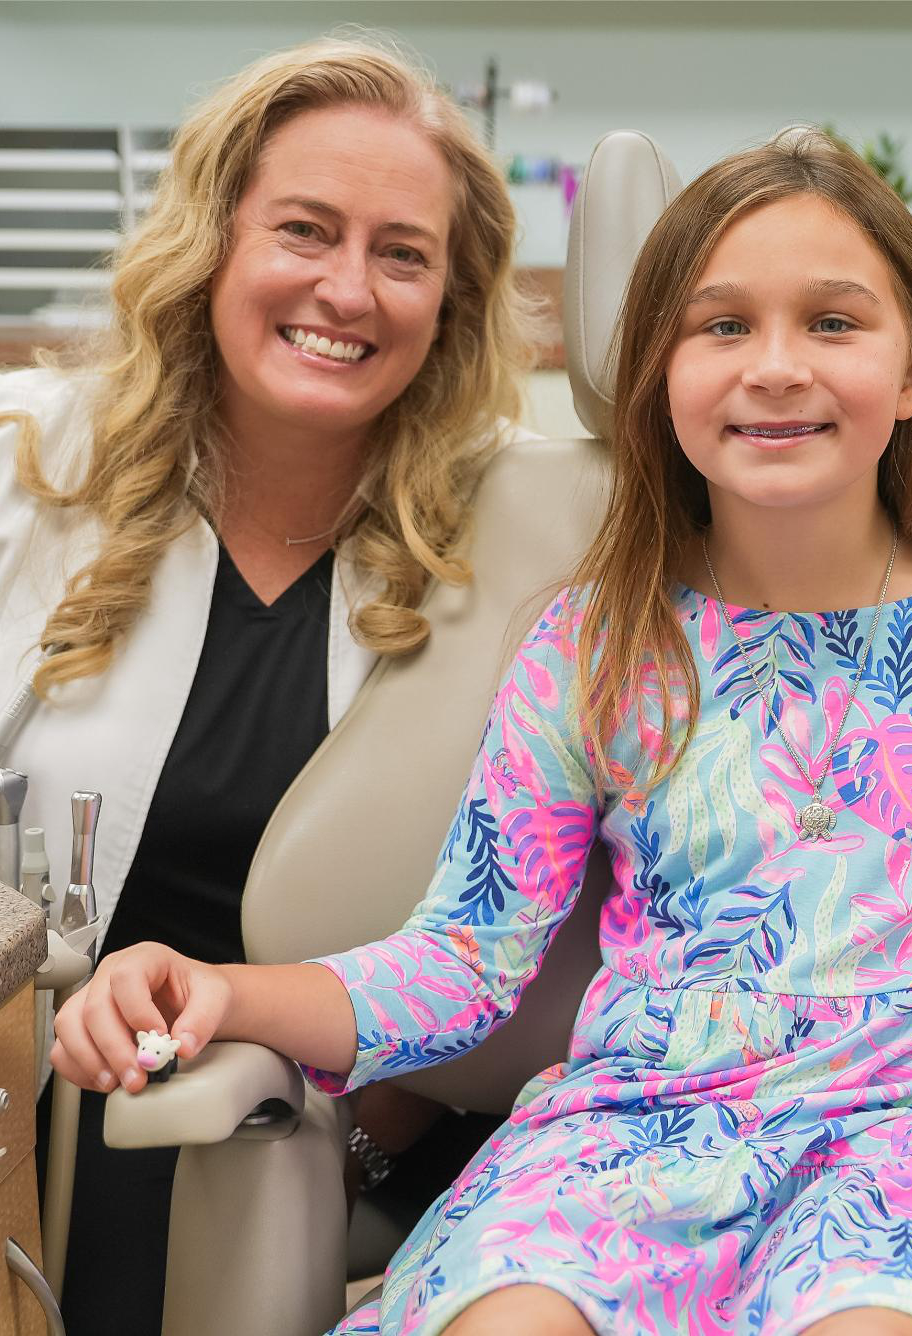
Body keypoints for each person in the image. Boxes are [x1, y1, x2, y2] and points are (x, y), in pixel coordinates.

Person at [51, 128, 912, 1336]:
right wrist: (222, 987)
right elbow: (465, 963)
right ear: (661, 371)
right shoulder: (591, 645)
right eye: (722, 326)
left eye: (832, 322)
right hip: (633, 1131)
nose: (775, 365)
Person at [3, 35, 535, 1334]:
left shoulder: (524, 540)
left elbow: (543, 918)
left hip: (364, 1127)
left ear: (450, 303)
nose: (347, 288)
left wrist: (367, 1124)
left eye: (402, 254)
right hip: (41, 1097)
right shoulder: (29, 466)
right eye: (305, 230)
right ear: (214, 242)